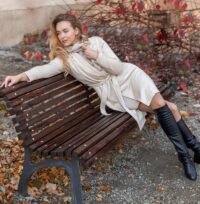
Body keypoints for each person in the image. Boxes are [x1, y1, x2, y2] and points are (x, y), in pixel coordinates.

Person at [1, 13, 200, 181]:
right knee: (169, 108)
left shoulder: (96, 42)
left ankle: (185, 158)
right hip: (113, 95)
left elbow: (118, 68)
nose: (62, 36)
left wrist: (95, 55)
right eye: (59, 32)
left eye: (66, 31)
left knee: (159, 104)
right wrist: (19, 76)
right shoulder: (65, 60)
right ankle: (194, 147)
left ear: (76, 30)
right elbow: (43, 70)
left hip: (129, 77)